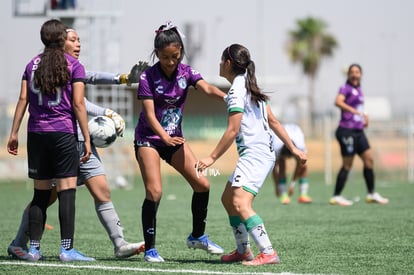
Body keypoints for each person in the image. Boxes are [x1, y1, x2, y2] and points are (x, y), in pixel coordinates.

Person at [7, 28, 146, 260]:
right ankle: (20, 243)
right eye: (73, 40)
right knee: (47, 197)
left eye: (79, 40)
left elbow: (93, 77)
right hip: (67, 140)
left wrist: (123, 78)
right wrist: (106, 111)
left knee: (102, 191)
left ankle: (120, 243)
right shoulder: (52, 69)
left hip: (80, 141)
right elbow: (76, 103)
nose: (78, 43)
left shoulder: (71, 66)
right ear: (61, 43)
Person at [197, 44, 307, 266]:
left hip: (255, 155)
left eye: (221, 60)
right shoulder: (248, 86)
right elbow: (274, 121)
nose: (219, 64)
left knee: (240, 202)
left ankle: (268, 252)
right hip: (260, 154)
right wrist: (293, 148)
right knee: (228, 199)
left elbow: (232, 130)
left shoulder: (239, 90)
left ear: (228, 63)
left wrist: (211, 158)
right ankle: (243, 250)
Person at [134, 21, 226, 262]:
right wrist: (164, 137)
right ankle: (151, 249)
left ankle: (197, 236)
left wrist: (228, 98)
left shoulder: (187, 72)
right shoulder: (147, 77)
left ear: (181, 52)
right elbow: (150, 115)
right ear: (157, 54)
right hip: (149, 140)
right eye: (165, 57)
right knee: (155, 191)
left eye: (176, 56)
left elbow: (206, 89)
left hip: (174, 140)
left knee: (203, 184)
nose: (171, 61)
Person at [6, 19, 93, 262]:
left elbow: (22, 100)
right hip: (62, 133)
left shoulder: (31, 65)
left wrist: (13, 133)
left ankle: (34, 249)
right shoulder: (74, 65)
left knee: (40, 194)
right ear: (61, 39)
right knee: (66, 191)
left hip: (36, 134)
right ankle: (67, 250)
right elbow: (78, 104)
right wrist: (86, 138)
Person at [329, 63, 389, 206]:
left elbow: (360, 109)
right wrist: (354, 111)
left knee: (369, 159)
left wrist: (363, 119)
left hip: (358, 131)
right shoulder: (346, 88)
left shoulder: (359, 90)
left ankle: (371, 194)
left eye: (357, 72)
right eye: (352, 72)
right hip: (346, 130)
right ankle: (336, 196)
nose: (355, 74)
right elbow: (337, 101)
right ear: (349, 75)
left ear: (361, 74)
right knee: (347, 165)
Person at [271, 123, 312, 204]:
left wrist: (292, 184)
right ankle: (283, 195)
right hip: (280, 134)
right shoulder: (276, 146)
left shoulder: (300, 146)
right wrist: (276, 186)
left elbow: (300, 165)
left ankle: (303, 195)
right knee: (281, 165)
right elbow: (274, 169)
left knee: (304, 166)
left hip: (295, 131)